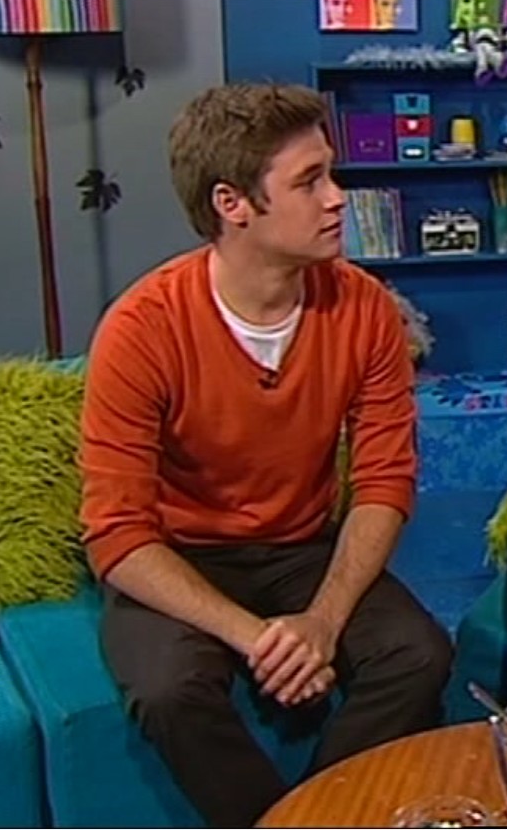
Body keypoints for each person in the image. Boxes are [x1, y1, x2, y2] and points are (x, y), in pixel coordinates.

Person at [78, 83, 452, 828]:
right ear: (233, 203)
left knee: (419, 655)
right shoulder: (141, 328)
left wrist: (322, 622)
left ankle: (318, 818)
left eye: (330, 173)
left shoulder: (366, 309)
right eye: (309, 181)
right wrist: (256, 637)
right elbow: (115, 533)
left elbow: (384, 481)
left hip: (301, 547)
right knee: (168, 689)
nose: (337, 198)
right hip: (179, 553)